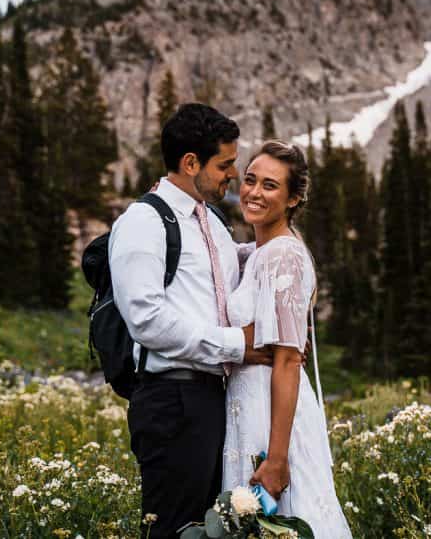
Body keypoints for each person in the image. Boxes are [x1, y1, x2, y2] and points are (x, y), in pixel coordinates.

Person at [109, 103, 274, 538]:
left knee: (209, 529)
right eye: (225, 164)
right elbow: (147, 319)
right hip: (170, 402)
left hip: (210, 400)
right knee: (173, 527)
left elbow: (229, 273)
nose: (233, 175)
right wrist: (238, 344)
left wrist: (279, 254)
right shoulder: (143, 222)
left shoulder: (211, 221)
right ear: (190, 163)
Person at [222, 140, 352, 538]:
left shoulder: (284, 256)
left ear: (294, 198)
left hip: (273, 417)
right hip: (247, 408)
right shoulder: (255, 254)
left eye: (270, 186)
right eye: (249, 180)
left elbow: (288, 360)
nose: (254, 193)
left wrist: (277, 457)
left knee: (282, 520)